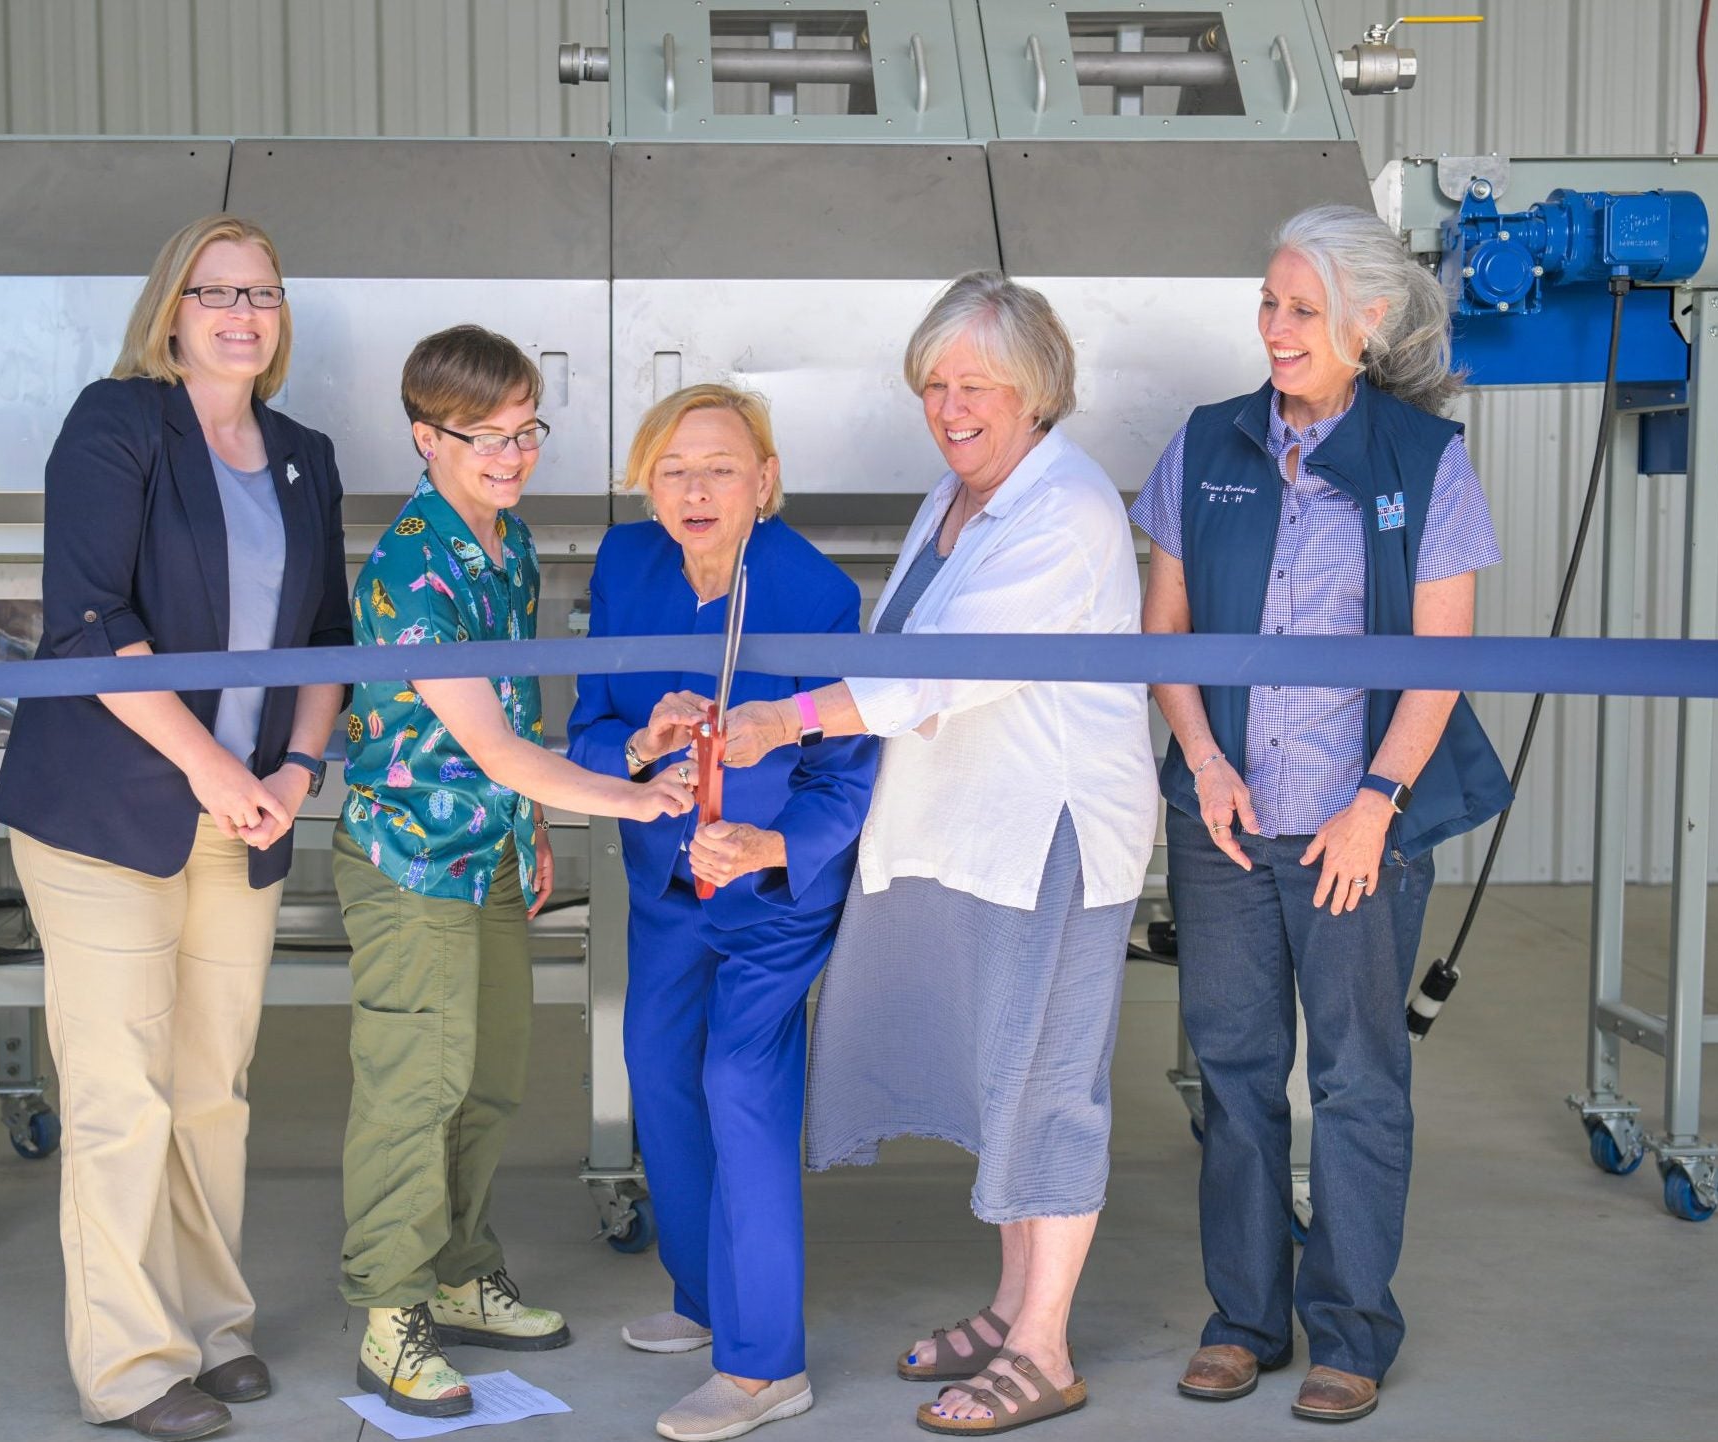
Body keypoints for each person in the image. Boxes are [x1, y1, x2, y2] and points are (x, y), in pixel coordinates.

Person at [717, 273, 1158, 1437]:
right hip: (971, 828)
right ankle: (1016, 1306)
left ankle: (1047, 1349)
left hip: (1045, 832)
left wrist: (786, 717)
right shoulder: (957, 496)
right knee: (997, 1074)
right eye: (934, 384)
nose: (950, 405)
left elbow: (945, 668)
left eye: (976, 384)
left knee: (1047, 1082)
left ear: (1038, 391)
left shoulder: (1063, 509)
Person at [1129, 203, 1511, 1425]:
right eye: (1268, 303)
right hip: (1227, 817)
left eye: (1301, 308)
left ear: (1369, 322)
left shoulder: (1422, 457)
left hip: (1361, 820)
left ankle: (1350, 1327)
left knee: (1354, 1078)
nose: (1275, 328)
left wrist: (1374, 805)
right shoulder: (1205, 444)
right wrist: (1200, 758)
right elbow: (1165, 630)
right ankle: (1244, 1316)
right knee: (1235, 1071)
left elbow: (1441, 656)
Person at [0, 214, 350, 1442]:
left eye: (263, 290)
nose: (242, 311)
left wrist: (297, 768)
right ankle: (131, 1362)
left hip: (246, 810)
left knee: (212, 1088)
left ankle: (213, 1323)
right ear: (173, 306)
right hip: (109, 810)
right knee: (119, 1093)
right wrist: (209, 764)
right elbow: (89, 622)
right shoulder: (116, 421)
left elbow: (323, 641)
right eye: (216, 290)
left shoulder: (303, 452)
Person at [336, 324, 697, 1419]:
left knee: (487, 1078)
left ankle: (457, 1270)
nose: (509, 452)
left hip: (487, 851)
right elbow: (491, 746)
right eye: (482, 435)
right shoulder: (410, 566)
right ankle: (389, 1314)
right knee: (415, 1087)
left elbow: (518, 709)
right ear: (423, 436)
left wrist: (532, 829)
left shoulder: (509, 541)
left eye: (524, 429)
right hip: (409, 861)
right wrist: (631, 794)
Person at [565, 385, 878, 1442]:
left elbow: (847, 775)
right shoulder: (626, 567)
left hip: (772, 891)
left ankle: (762, 1364)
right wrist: (642, 748)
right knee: (657, 1068)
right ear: (647, 486)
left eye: (719, 468)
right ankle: (703, 1297)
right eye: (672, 470)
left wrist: (770, 844)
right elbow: (587, 731)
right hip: (664, 879)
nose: (696, 490)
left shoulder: (815, 593)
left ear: (765, 482)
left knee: (738, 1078)